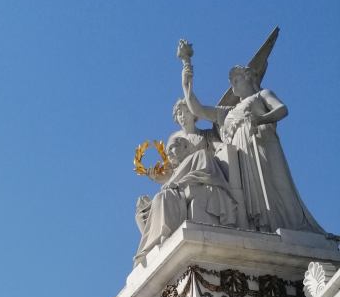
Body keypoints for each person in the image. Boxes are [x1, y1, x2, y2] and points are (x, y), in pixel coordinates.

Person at [182, 62, 325, 235]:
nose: (233, 86)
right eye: (231, 82)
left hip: (262, 144)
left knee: (276, 185)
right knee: (252, 195)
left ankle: (289, 225)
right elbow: (198, 110)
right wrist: (187, 85)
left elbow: (282, 109)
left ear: (248, 77)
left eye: (236, 80)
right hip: (242, 155)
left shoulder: (262, 95)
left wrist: (260, 119)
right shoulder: (228, 112)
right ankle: (262, 227)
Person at [134, 133, 238, 263]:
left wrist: (179, 184)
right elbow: (171, 184)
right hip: (177, 195)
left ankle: (162, 238)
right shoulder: (174, 173)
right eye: (167, 151)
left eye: (172, 147)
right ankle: (150, 249)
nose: (169, 153)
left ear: (185, 146)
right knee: (141, 215)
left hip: (190, 192)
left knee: (163, 197)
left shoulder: (199, 155)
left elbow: (207, 173)